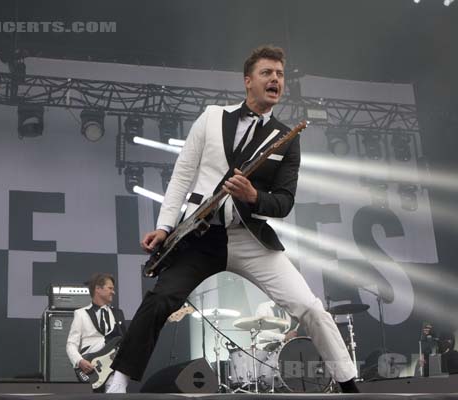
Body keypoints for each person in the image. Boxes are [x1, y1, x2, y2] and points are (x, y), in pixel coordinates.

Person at [109, 45, 359, 393]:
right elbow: (182, 175)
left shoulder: (286, 139)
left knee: (310, 308)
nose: (275, 79)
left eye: (280, 74)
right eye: (266, 73)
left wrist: (253, 197)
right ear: (247, 81)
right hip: (200, 236)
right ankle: (118, 381)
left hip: (250, 238)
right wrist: (165, 227)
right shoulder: (212, 116)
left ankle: (349, 385)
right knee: (160, 299)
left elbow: (284, 203)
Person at [66, 273, 127, 392]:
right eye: (110, 288)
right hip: (91, 369)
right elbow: (71, 344)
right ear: (98, 289)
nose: (113, 292)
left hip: (114, 369)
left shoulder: (118, 314)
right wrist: (80, 361)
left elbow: (125, 341)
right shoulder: (81, 314)